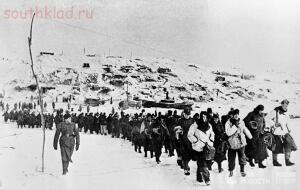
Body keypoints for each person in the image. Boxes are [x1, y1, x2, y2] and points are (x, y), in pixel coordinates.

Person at [265, 99, 297, 166]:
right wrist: (273, 124)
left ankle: (287, 161)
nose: (285, 106)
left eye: (286, 105)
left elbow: (287, 121)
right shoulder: (275, 111)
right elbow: (267, 118)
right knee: (276, 146)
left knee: (288, 145)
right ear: (281, 104)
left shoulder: (286, 112)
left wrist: (289, 129)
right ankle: (275, 161)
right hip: (276, 132)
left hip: (285, 132)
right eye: (284, 105)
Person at [188, 111, 214, 185]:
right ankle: (207, 179)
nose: (204, 118)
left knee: (204, 163)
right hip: (198, 148)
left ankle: (199, 177)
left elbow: (212, 134)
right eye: (202, 116)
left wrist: (211, 141)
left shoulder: (209, 125)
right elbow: (190, 135)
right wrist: (196, 141)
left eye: (205, 117)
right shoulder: (195, 125)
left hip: (207, 147)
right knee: (202, 163)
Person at [225, 109, 252, 177]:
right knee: (231, 159)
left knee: (242, 157)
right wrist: (235, 126)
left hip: (241, 142)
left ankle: (242, 171)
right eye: (235, 115)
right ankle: (231, 171)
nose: (236, 116)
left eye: (237, 114)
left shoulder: (241, 121)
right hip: (232, 143)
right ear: (232, 115)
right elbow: (228, 133)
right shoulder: (228, 123)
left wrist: (250, 137)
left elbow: (244, 129)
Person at [176, 107, 194, 175]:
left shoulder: (192, 120)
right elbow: (176, 130)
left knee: (190, 155)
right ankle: (186, 168)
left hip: (191, 140)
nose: (187, 115)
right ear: (184, 114)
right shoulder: (180, 120)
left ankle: (185, 164)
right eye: (186, 114)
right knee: (185, 154)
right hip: (183, 140)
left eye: (188, 114)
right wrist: (178, 138)